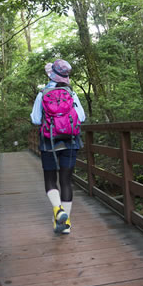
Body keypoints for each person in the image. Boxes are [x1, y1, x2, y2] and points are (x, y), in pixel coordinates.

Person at [30, 59, 86, 234]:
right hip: (70, 140)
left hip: (50, 141)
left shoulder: (43, 93)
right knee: (66, 181)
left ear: (51, 74)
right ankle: (65, 224)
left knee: (50, 179)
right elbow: (81, 117)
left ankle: (58, 210)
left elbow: (36, 119)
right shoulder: (71, 93)